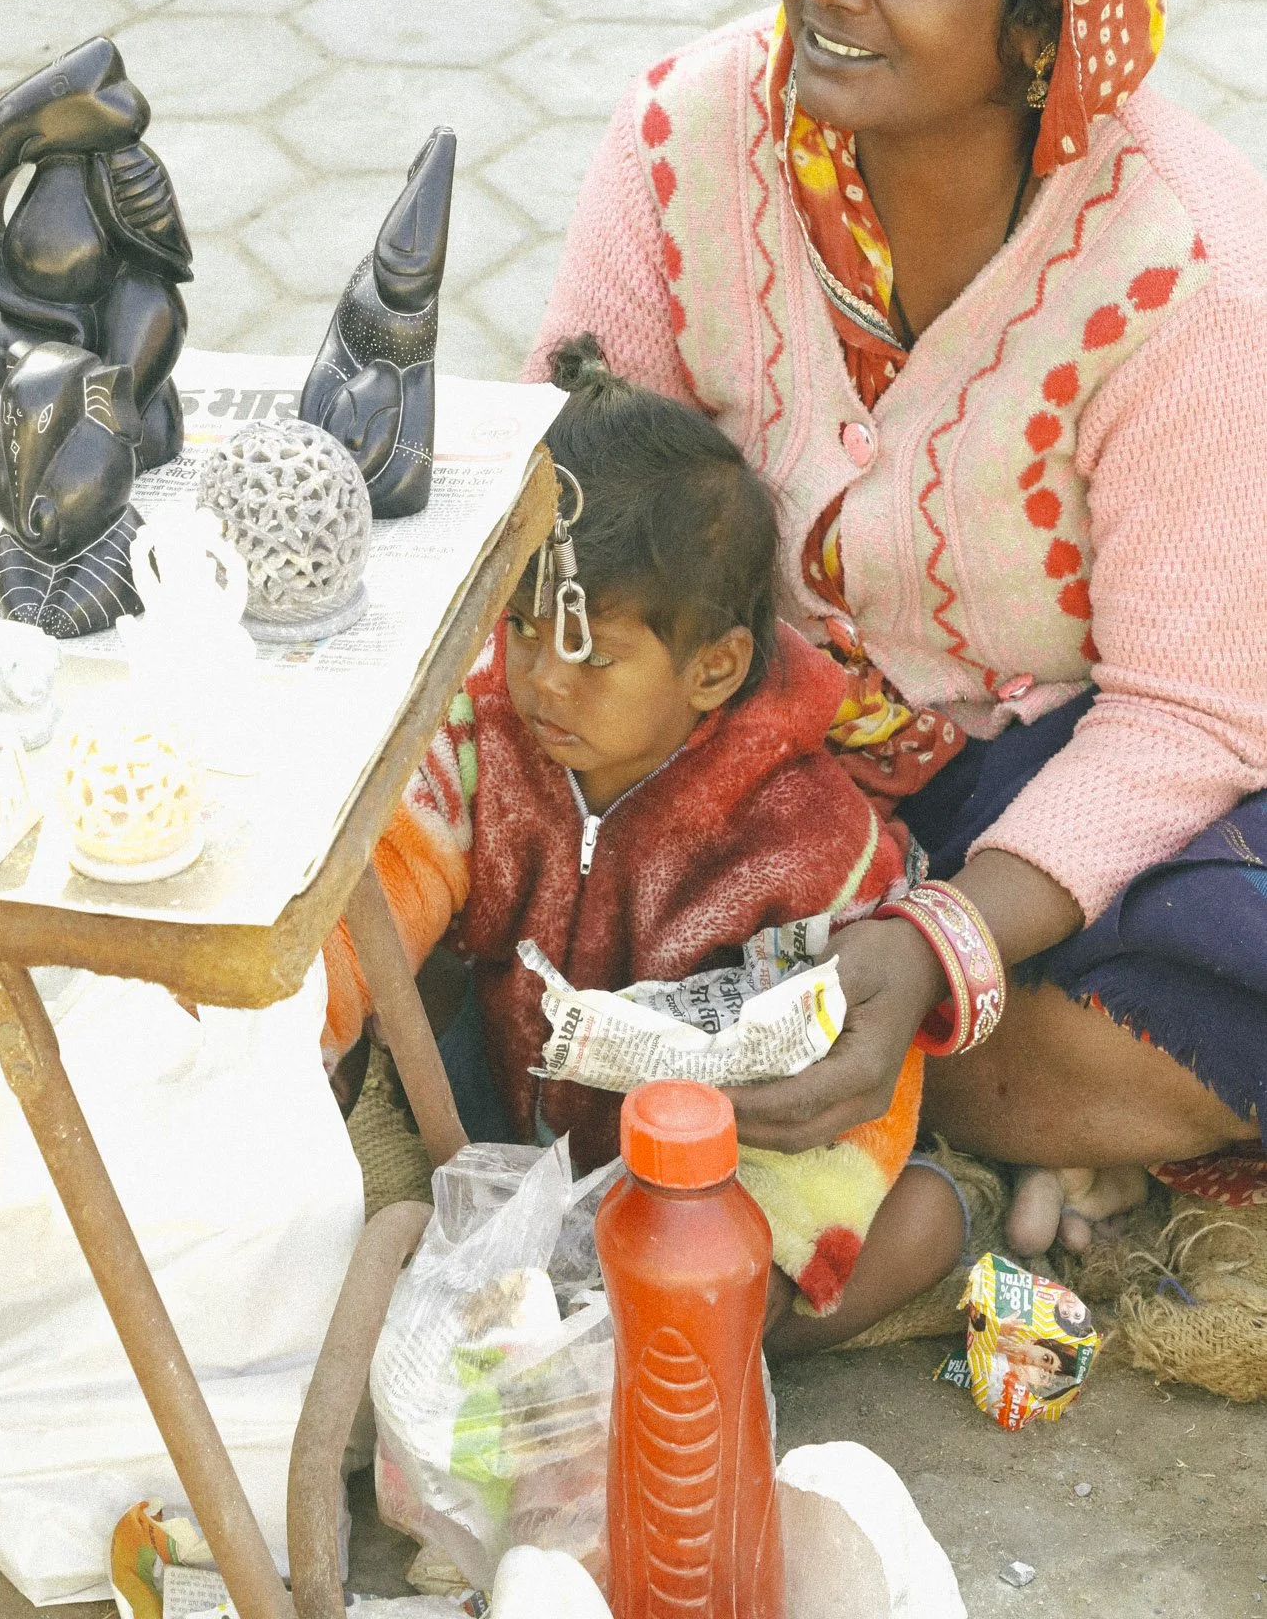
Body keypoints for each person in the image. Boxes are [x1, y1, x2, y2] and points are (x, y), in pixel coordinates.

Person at [530, 0, 1267, 1254]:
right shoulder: (687, 139)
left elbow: (1187, 713)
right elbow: (586, 498)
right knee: (498, 790)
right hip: (749, 732)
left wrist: (934, 947)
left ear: (1036, 24)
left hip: (1057, 765)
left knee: (1233, 953)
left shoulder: (1184, 274)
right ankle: (933, 1130)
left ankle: (836, 1104)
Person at [324, 338, 968, 1346]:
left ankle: (754, 1315)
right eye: (526, 629)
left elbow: (858, 1073)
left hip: (706, 1178)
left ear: (711, 669)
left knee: (846, 1249)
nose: (544, 679)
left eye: (596, 654)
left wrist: (785, 1230)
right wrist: (308, 1014)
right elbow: (396, 871)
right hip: (504, 1108)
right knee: (340, 1141)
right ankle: (588, 1309)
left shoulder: (807, 832)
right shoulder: (482, 731)